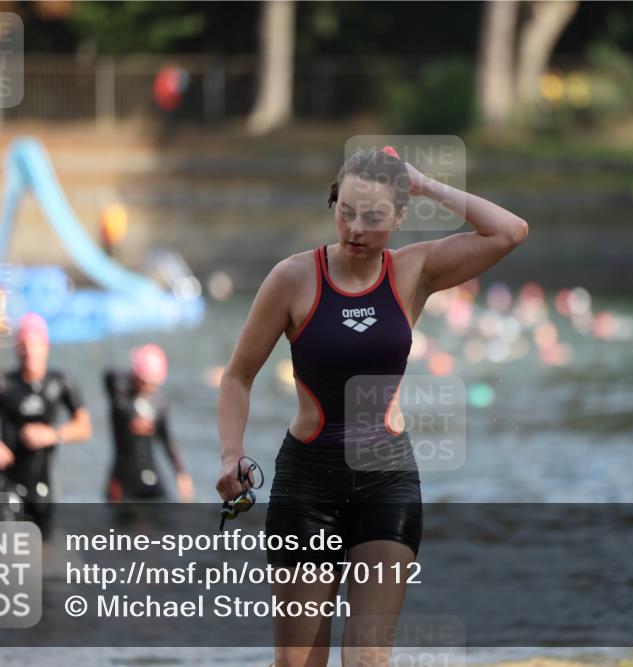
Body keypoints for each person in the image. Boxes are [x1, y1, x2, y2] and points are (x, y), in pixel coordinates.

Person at [216, 146, 528, 666]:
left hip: (388, 481)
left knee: (366, 660)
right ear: (334, 203)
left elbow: (510, 231)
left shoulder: (415, 272)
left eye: (375, 217)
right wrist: (231, 454)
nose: (356, 228)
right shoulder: (294, 278)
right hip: (308, 485)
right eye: (347, 212)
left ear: (401, 216)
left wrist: (427, 185)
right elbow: (237, 376)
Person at [0, 313, 92, 540]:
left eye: (35, 345)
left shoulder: (61, 382)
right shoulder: (1, 383)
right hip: (7, 479)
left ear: (46, 346)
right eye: (23, 345)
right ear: (16, 348)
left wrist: (53, 434)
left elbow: (84, 427)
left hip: (43, 481)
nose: (30, 352)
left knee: (42, 550)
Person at [103, 343, 194, 502]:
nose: (150, 387)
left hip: (151, 476)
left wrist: (181, 473)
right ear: (136, 376)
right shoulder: (121, 395)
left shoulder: (159, 403)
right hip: (122, 480)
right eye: (146, 381)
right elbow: (108, 375)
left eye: (154, 383)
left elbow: (166, 440)